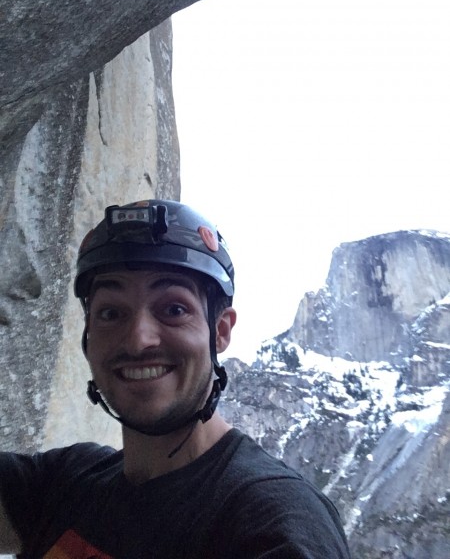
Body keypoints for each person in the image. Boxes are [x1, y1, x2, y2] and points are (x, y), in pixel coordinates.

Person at [0, 199, 351, 558]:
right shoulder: (64, 482)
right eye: (110, 312)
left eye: (173, 309)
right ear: (88, 334)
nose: (138, 339)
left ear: (220, 331)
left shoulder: (274, 524)